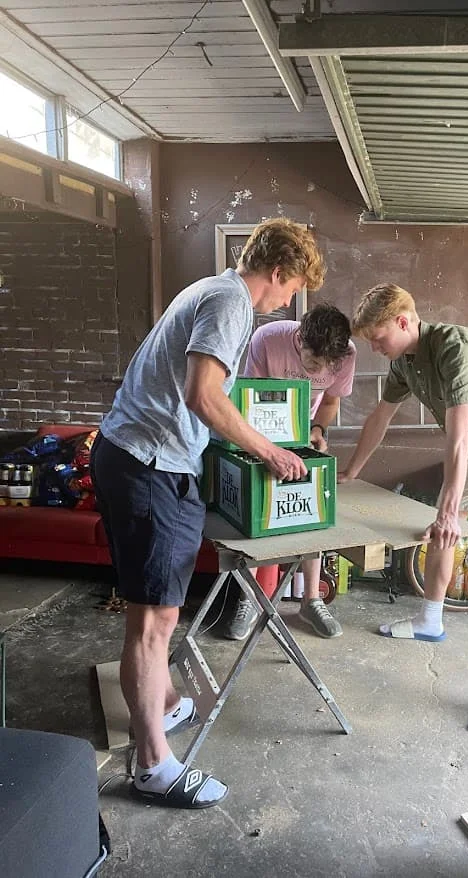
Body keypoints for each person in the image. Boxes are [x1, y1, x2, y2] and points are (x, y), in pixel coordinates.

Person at [90, 218, 325, 809]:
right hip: (150, 465)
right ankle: (152, 766)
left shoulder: (210, 290)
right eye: (293, 286)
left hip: (139, 456)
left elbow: (199, 397)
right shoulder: (230, 303)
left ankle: (163, 706)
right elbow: (204, 395)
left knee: (156, 614)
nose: (290, 300)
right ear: (277, 272)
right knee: (151, 623)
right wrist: (268, 450)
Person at [339, 283, 468, 734]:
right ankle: (429, 619)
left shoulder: (454, 347)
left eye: (378, 336)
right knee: (436, 527)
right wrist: (351, 472)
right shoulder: (405, 361)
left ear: (405, 322)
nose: (374, 347)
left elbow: (458, 438)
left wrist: (450, 512)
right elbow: (380, 417)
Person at [219, 303, 356, 641]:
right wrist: (267, 449)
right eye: (312, 362)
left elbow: (330, 402)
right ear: (299, 340)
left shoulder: (347, 355)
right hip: (263, 432)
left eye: (327, 367)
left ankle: (311, 600)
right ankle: (250, 597)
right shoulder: (268, 339)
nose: (319, 371)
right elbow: (250, 398)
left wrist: (318, 431)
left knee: (311, 513)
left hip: (303, 433)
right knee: (260, 515)